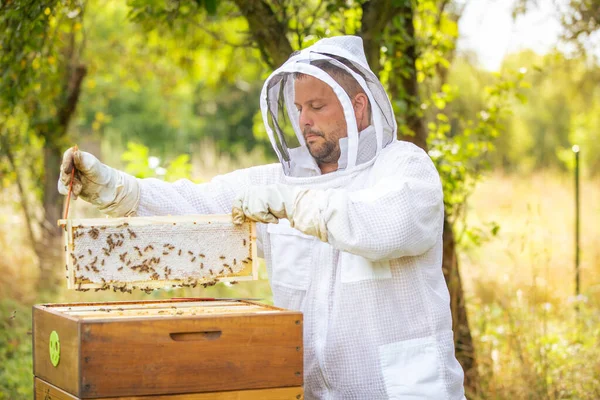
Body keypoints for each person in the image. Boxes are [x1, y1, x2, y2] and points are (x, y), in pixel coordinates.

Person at [59, 36, 465, 399]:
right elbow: (195, 205)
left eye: (317, 106)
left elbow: (386, 227)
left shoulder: (404, 167)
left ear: (357, 106)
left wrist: (292, 204)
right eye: (299, 108)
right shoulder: (277, 182)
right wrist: (113, 188)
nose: (304, 120)